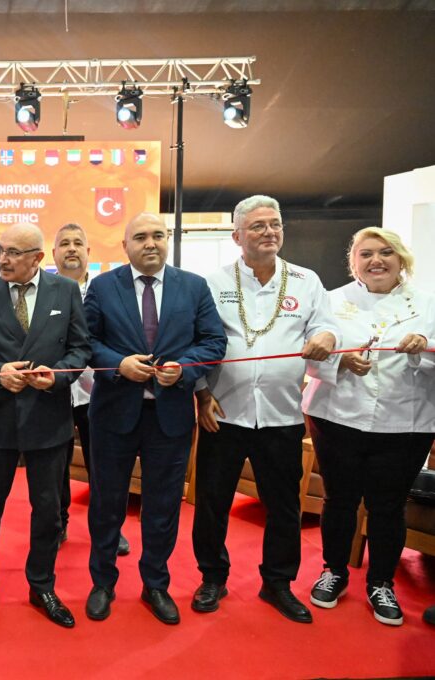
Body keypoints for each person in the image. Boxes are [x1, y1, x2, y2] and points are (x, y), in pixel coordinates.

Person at [192, 194, 340, 624]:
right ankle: (212, 577)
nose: (269, 232)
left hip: (282, 415)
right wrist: (200, 393)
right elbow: (196, 340)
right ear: (237, 236)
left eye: (275, 224)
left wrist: (327, 337)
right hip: (223, 413)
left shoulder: (307, 281)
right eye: (258, 226)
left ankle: (277, 582)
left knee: (284, 506)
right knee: (212, 502)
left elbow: (325, 324)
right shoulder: (212, 282)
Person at [83, 214, 226, 625]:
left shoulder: (194, 286)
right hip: (113, 415)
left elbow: (214, 341)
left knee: (163, 506)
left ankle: (156, 584)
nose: (150, 243)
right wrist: (118, 364)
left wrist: (185, 368)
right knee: (107, 503)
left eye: (158, 235)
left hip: (171, 415)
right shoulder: (103, 286)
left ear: (168, 240)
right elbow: (85, 341)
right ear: (125, 245)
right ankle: (103, 582)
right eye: (141, 237)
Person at [301, 227, 435, 626]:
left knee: (388, 506)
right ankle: (334, 571)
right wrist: (338, 361)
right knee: (339, 499)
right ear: (354, 262)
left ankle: (381, 583)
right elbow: (308, 355)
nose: (376, 260)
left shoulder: (428, 304)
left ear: (401, 259)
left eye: (386, 252)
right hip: (336, 416)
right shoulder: (331, 301)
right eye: (366, 254)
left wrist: (422, 348)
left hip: (406, 422)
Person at [0, 223, 90, 630]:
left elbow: (80, 349)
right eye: (1, 250)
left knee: (48, 511)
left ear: (38, 257)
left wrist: (58, 376)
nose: (3, 259)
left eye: (14, 252)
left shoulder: (65, 292)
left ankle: (42, 585)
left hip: (48, 418)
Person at [51, 223, 131, 555]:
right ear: (54, 253)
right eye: (64, 243)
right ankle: (57, 523)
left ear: (88, 252)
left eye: (77, 243)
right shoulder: (44, 292)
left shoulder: (107, 291)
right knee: (55, 467)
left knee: (104, 467)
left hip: (99, 392)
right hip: (54, 391)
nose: (71, 249)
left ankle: (110, 529)